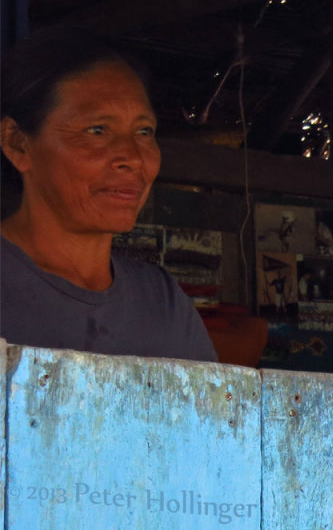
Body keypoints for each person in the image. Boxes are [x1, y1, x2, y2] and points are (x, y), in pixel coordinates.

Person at [0, 27, 217, 362]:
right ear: (18, 143)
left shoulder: (162, 303)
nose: (132, 157)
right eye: (97, 130)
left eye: (144, 132)